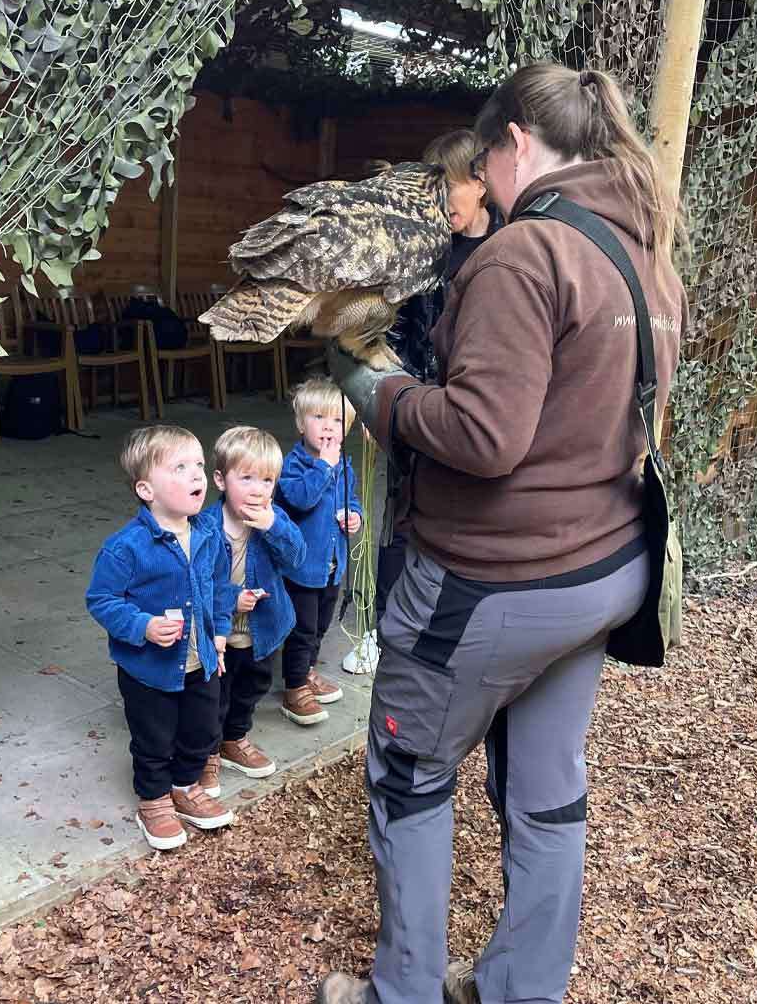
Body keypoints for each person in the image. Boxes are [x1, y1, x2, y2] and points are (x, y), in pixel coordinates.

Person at [318, 63, 690, 1004]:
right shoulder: (641, 250)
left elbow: (486, 437)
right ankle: (526, 989)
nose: (479, 185)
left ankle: (402, 992)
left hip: (491, 588)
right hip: (603, 574)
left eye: (484, 163)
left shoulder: (525, 255)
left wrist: (375, 389)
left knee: (408, 771)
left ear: (516, 142)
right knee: (546, 787)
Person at [374, 129, 504, 626]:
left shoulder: (509, 245)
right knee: (400, 512)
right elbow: (398, 327)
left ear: (479, 182)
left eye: (446, 186)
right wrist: (383, 394)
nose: (439, 201)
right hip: (417, 405)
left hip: (469, 408)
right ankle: (384, 623)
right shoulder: (425, 247)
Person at [86, 425, 236, 851]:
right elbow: (101, 599)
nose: (196, 476)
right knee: (154, 737)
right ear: (146, 489)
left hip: (201, 658)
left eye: (199, 466)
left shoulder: (208, 535)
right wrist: (142, 625)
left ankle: (185, 786)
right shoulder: (125, 548)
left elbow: (219, 589)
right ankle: (153, 800)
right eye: (181, 467)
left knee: (202, 729)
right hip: (148, 668)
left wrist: (219, 637)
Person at [197, 426, 306, 783]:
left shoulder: (274, 519)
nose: (258, 489)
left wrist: (273, 525)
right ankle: (208, 750)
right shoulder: (204, 526)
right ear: (220, 480)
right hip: (218, 633)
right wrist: (231, 599)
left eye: (267, 480)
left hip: (262, 629)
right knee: (213, 696)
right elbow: (194, 583)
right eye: (246, 478)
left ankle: (235, 738)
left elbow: (297, 559)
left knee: (252, 687)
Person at [275, 377, 363, 725]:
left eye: (338, 420)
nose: (328, 426)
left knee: (322, 623)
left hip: (332, 563)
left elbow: (350, 498)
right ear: (300, 424)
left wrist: (355, 516)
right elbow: (300, 499)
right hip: (301, 566)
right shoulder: (292, 466)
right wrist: (323, 465)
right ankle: (294, 687)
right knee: (303, 628)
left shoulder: (344, 464)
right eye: (318, 418)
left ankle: (308, 670)